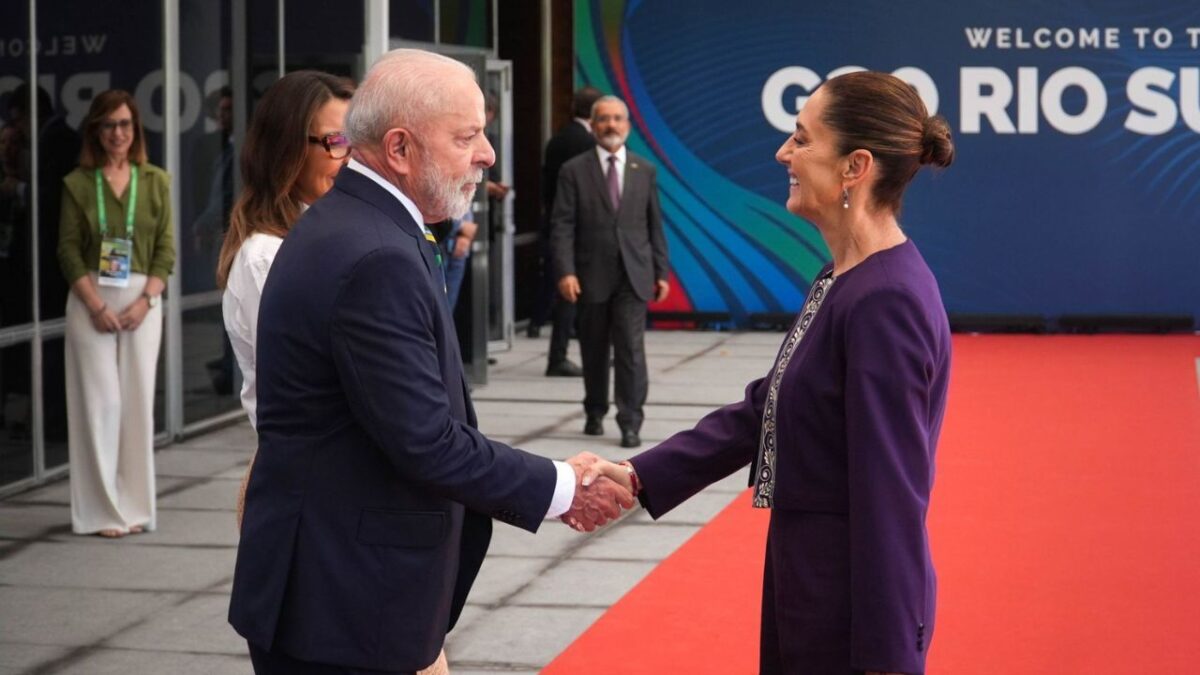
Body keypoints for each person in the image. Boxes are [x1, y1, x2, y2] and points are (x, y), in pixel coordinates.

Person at [227, 49, 632, 675]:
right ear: (399, 148)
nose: (489, 154)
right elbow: (426, 440)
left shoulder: (362, 226)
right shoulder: (374, 254)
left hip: (337, 592)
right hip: (345, 604)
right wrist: (561, 485)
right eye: (468, 136)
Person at [586, 71, 956, 674]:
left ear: (854, 166)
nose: (783, 152)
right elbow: (768, 407)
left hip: (846, 613)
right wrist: (636, 477)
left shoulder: (886, 300)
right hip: (807, 585)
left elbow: (892, 499)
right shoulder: (845, 278)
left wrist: (889, 659)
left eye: (802, 139)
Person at [57, 90, 175, 539]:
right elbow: (67, 251)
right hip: (92, 298)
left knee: (137, 407)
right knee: (99, 405)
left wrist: (146, 300)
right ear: (96, 131)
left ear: (136, 129)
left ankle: (135, 507)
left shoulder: (156, 181)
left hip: (143, 298)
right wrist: (96, 305)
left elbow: (167, 249)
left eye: (125, 124)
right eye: (108, 126)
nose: (118, 134)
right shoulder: (78, 183)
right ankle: (102, 511)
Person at [217, 70, 355, 431]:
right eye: (336, 141)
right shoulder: (267, 257)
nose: (350, 158)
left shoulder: (330, 233)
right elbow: (304, 388)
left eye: (356, 141)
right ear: (287, 151)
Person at [550, 95, 670, 448]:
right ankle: (594, 409)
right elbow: (562, 225)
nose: (611, 125)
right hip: (590, 275)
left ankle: (630, 421)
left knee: (631, 350)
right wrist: (565, 271)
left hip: (634, 275)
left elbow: (654, 225)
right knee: (594, 347)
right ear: (594, 124)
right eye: (604, 119)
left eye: (618, 119)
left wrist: (661, 271)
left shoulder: (643, 170)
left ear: (628, 126)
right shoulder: (573, 170)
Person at [533, 86, 601, 377]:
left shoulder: (557, 139)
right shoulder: (587, 144)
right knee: (573, 296)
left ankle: (551, 339)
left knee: (560, 288)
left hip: (556, 222)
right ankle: (559, 356)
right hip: (579, 230)